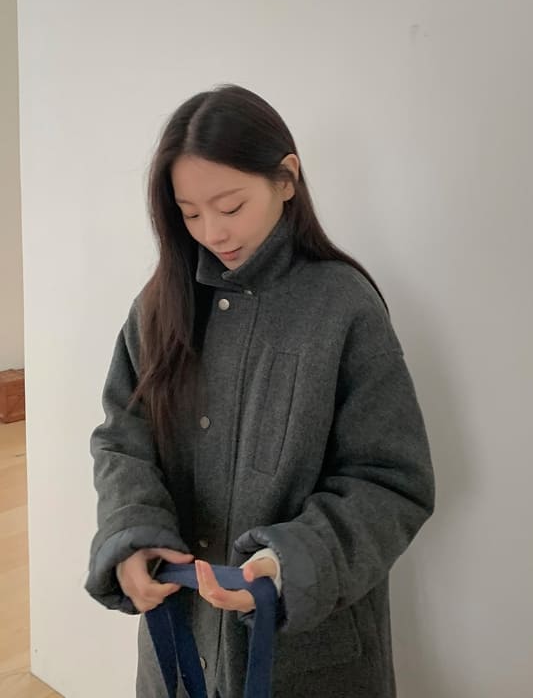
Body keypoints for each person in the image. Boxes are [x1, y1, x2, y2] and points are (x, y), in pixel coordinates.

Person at [85, 83, 435, 698]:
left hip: (307, 655)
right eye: (190, 213)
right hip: (179, 642)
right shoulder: (160, 305)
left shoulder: (343, 306)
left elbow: (391, 482)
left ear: (286, 179)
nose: (213, 231)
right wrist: (131, 532)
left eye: (230, 206)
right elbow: (122, 439)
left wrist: (288, 563)